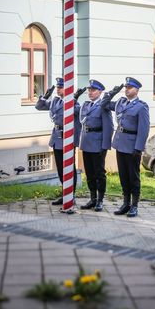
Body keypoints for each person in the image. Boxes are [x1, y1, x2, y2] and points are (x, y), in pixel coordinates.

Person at [101, 77, 150, 217]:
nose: (127, 89)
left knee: (133, 177)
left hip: (132, 146)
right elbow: (103, 105)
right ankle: (125, 203)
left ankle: (134, 205)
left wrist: (138, 147)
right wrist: (111, 93)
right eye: (126, 87)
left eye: (130, 87)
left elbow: (144, 129)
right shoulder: (120, 103)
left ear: (137, 90)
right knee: (123, 176)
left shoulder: (141, 106)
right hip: (120, 143)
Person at [35, 77, 86, 205]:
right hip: (57, 138)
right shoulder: (55, 101)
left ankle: (71, 195)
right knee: (60, 169)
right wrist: (45, 96)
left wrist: (73, 99)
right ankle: (65, 194)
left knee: (69, 168)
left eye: (60, 87)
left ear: (67, 89)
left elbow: (75, 111)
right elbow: (39, 106)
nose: (58, 89)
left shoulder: (75, 104)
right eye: (57, 87)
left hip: (67, 139)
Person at [79, 79, 114, 212]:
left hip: (98, 144)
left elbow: (109, 127)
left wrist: (104, 146)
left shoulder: (103, 106)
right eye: (89, 90)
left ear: (100, 92)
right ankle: (92, 199)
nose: (90, 92)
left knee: (99, 174)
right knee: (89, 173)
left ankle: (100, 200)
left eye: (93, 90)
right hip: (86, 142)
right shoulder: (86, 105)